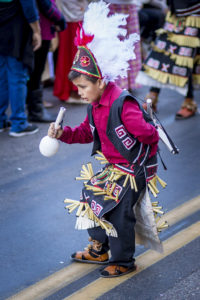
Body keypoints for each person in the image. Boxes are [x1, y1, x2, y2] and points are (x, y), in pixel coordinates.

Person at [47, 1, 166, 278]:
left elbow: (149, 134)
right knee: (91, 197)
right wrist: (63, 133)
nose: (81, 93)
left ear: (101, 82)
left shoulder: (122, 104)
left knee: (118, 213)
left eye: (83, 87)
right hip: (115, 168)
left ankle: (124, 260)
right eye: (77, 87)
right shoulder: (95, 104)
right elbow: (87, 133)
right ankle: (99, 248)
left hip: (133, 169)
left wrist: (145, 122)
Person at [136, 0, 200, 119]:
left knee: (186, 56)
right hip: (175, 13)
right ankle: (152, 96)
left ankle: (189, 101)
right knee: (163, 51)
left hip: (195, 13)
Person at [0, 0, 41, 136]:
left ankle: (1, 120)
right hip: (15, 30)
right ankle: (19, 123)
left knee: (2, 78)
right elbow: (28, 5)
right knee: (17, 77)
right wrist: (36, 30)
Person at [26, 0, 66, 123]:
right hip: (41, 29)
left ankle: (34, 109)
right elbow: (45, 4)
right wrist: (60, 19)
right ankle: (35, 111)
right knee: (36, 72)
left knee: (34, 71)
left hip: (38, 28)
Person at [53, 0, 88, 102]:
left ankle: (71, 89)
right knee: (74, 57)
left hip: (69, 17)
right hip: (73, 19)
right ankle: (74, 91)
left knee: (69, 57)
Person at [104, 0, 142, 93]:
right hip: (112, 5)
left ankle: (128, 83)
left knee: (131, 42)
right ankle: (116, 83)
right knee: (114, 43)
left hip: (128, 5)